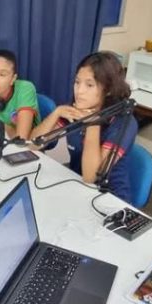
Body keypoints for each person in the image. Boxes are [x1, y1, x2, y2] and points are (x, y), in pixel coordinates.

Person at [30, 52, 138, 203]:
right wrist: (56, 113)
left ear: (108, 89)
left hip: (111, 200)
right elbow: (32, 145)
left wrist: (92, 125)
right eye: (77, 82)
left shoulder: (123, 122)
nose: (79, 91)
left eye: (89, 85)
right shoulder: (77, 110)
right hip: (77, 187)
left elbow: (90, 176)